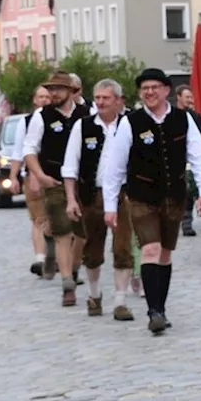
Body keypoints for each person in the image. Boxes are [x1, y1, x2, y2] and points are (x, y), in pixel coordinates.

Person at [101, 68, 201, 335]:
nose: (149, 92)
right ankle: (154, 311)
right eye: (144, 89)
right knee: (150, 250)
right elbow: (115, 167)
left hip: (173, 195)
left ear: (166, 91)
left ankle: (160, 306)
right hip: (142, 196)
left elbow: (198, 158)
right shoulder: (130, 123)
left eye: (154, 87)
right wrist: (109, 206)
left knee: (165, 253)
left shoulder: (183, 120)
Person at [62, 78, 135, 321]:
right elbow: (70, 166)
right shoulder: (83, 127)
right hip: (91, 195)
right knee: (92, 249)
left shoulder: (130, 124)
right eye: (98, 98)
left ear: (118, 100)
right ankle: (94, 294)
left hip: (125, 194)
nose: (101, 102)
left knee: (123, 246)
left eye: (106, 98)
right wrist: (71, 199)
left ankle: (120, 300)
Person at [22, 71, 87, 306]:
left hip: (84, 181)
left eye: (58, 89)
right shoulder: (43, 117)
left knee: (82, 233)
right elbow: (29, 149)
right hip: (56, 181)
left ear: (72, 91)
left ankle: (73, 266)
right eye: (51, 89)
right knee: (63, 233)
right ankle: (67, 283)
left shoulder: (86, 114)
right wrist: (39, 176)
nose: (53, 93)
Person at [11, 85, 55, 277]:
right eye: (41, 97)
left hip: (56, 177)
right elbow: (19, 150)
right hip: (33, 177)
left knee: (57, 221)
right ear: (34, 100)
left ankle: (56, 257)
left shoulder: (59, 119)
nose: (44, 100)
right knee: (39, 219)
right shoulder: (26, 122)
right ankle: (40, 258)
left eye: (47, 96)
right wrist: (14, 176)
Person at [174, 85, 201, 237]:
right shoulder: (171, 117)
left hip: (192, 158)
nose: (190, 100)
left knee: (191, 190)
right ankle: (183, 222)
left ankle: (187, 222)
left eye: (191, 97)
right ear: (178, 97)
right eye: (187, 97)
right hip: (177, 159)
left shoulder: (196, 116)